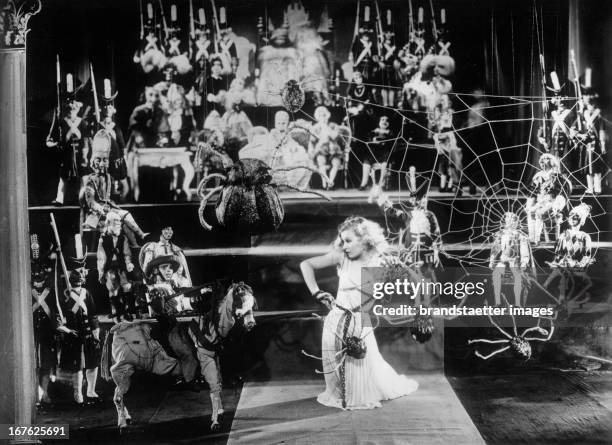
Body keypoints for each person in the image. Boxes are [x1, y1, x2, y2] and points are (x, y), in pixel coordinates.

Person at [300, 217, 418, 409]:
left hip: (360, 322)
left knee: (363, 369)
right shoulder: (341, 257)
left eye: (348, 241)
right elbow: (306, 265)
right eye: (342, 240)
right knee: (338, 372)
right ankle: (343, 394)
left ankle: (355, 396)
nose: (343, 245)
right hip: (336, 321)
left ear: (364, 240)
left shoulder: (380, 261)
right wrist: (317, 292)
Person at [80, 130, 148, 246]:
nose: (102, 164)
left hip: (109, 208)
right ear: (94, 163)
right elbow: (90, 202)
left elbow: (111, 196)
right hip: (96, 213)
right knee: (117, 218)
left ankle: (138, 239)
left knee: (126, 214)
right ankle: (125, 245)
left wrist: (115, 196)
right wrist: (101, 209)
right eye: (99, 160)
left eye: (104, 160)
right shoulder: (91, 180)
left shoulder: (108, 177)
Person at [57, 270, 101, 405]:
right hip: (74, 335)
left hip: (88, 333)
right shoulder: (64, 294)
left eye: (79, 280)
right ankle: (78, 393)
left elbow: (92, 313)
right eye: (75, 280)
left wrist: (96, 331)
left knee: (92, 363)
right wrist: (66, 330)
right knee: (78, 366)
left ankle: (91, 391)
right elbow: (60, 315)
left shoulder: (86, 293)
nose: (78, 282)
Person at [488, 212, 532, 307]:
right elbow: (495, 249)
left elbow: (524, 250)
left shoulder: (520, 235)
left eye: (512, 220)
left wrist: (524, 262)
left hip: (514, 260)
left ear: (516, 222)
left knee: (517, 276)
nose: (509, 222)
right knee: (496, 274)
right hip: (502, 259)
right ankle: (498, 302)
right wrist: (492, 260)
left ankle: (517, 303)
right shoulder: (500, 234)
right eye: (507, 220)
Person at [359, 115, 393, 191]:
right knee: (366, 161)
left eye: (386, 120)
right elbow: (369, 140)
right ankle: (364, 183)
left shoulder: (390, 132)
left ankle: (381, 183)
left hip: (383, 153)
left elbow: (389, 143)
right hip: (373, 152)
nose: (384, 122)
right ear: (379, 122)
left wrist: (380, 141)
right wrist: (373, 140)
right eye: (382, 120)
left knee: (385, 162)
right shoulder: (374, 131)